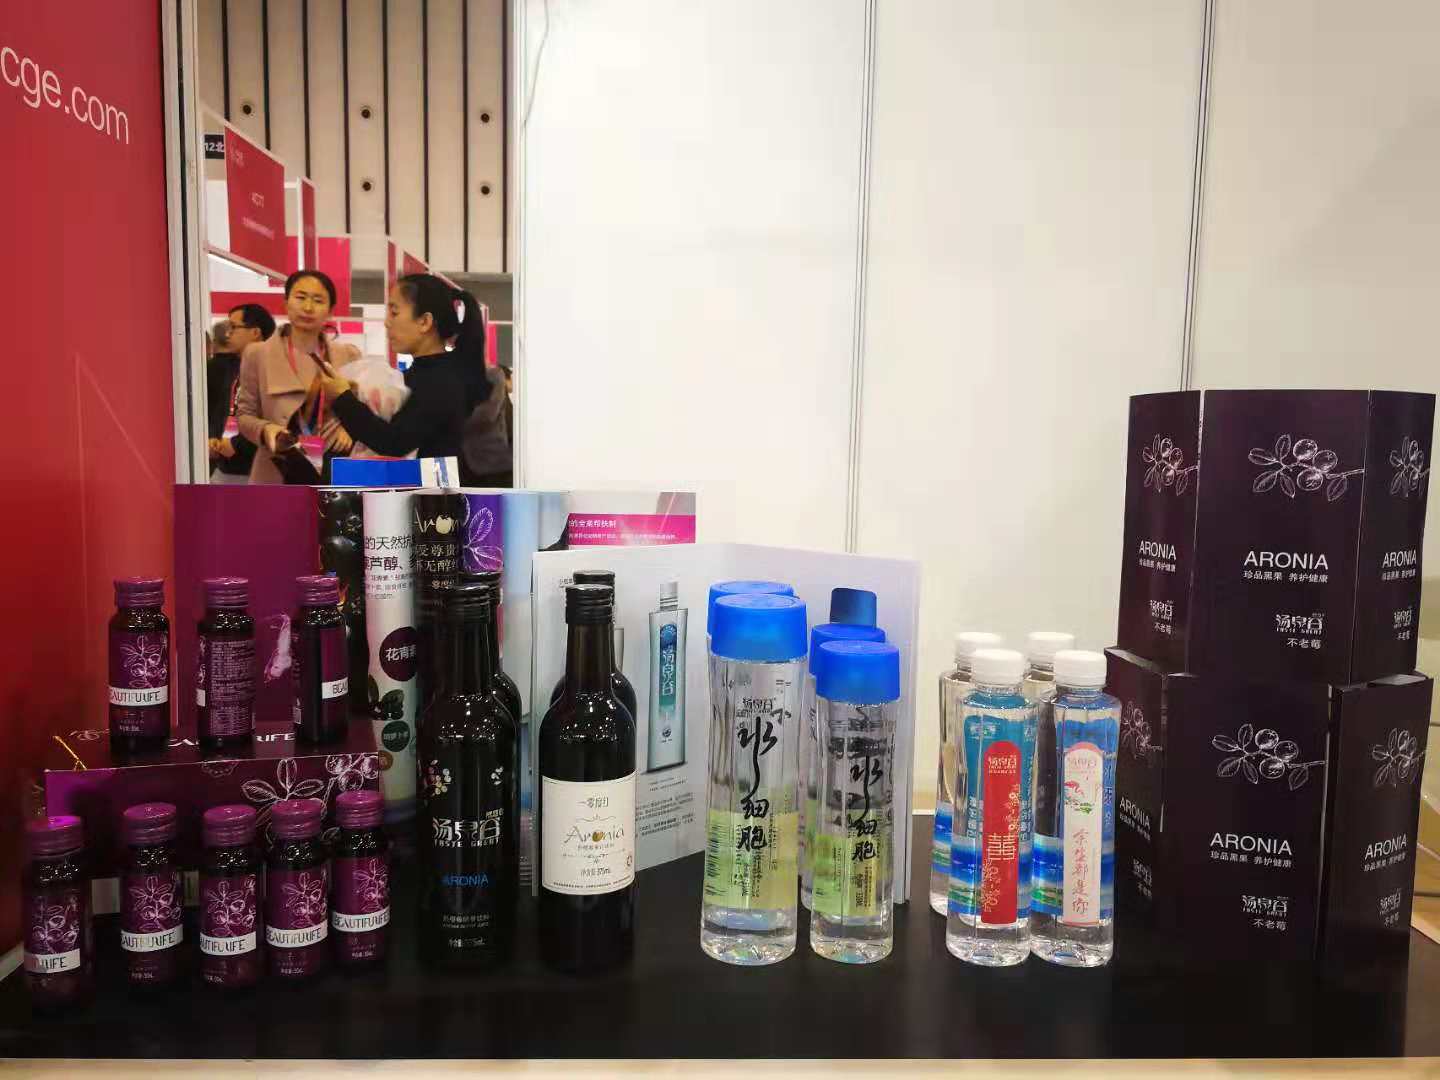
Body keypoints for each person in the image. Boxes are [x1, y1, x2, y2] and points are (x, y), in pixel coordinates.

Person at [315, 273, 493, 466]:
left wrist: (343, 398)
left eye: (394, 312)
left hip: (431, 485)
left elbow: (393, 442)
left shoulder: (442, 381)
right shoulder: (424, 373)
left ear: (424, 322)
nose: (386, 322)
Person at [235, 271, 359, 484]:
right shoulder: (257, 354)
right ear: (286, 303)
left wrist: (350, 428)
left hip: (334, 468)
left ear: (330, 310)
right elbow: (245, 415)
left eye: (318, 300)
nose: (308, 307)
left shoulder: (347, 355)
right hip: (277, 467)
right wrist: (266, 430)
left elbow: (361, 409)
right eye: (300, 297)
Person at [208, 305, 274, 478]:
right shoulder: (238, 367)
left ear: (255, 332)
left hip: (257, 470)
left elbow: (273, 419)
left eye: (233, 327)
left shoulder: (271, 369)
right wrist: (216, 439)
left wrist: (237, 445)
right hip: (229, 465)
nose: (228, 334)